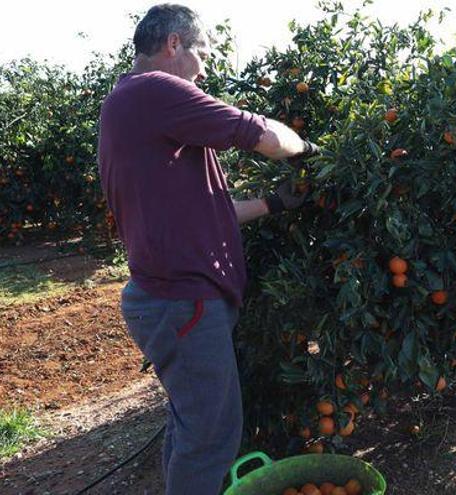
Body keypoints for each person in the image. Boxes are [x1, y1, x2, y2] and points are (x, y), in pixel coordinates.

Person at [97, 5, 318, 494]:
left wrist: (273, 204)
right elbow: (261, 136)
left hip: (169, 300)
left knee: (190, 424)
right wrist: (304, 148)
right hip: (184, 303)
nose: (205, 68)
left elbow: (205, 210)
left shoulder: (130, 105)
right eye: (203, 53)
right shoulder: (155, 90)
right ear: (174, 44)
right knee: (212, 439)